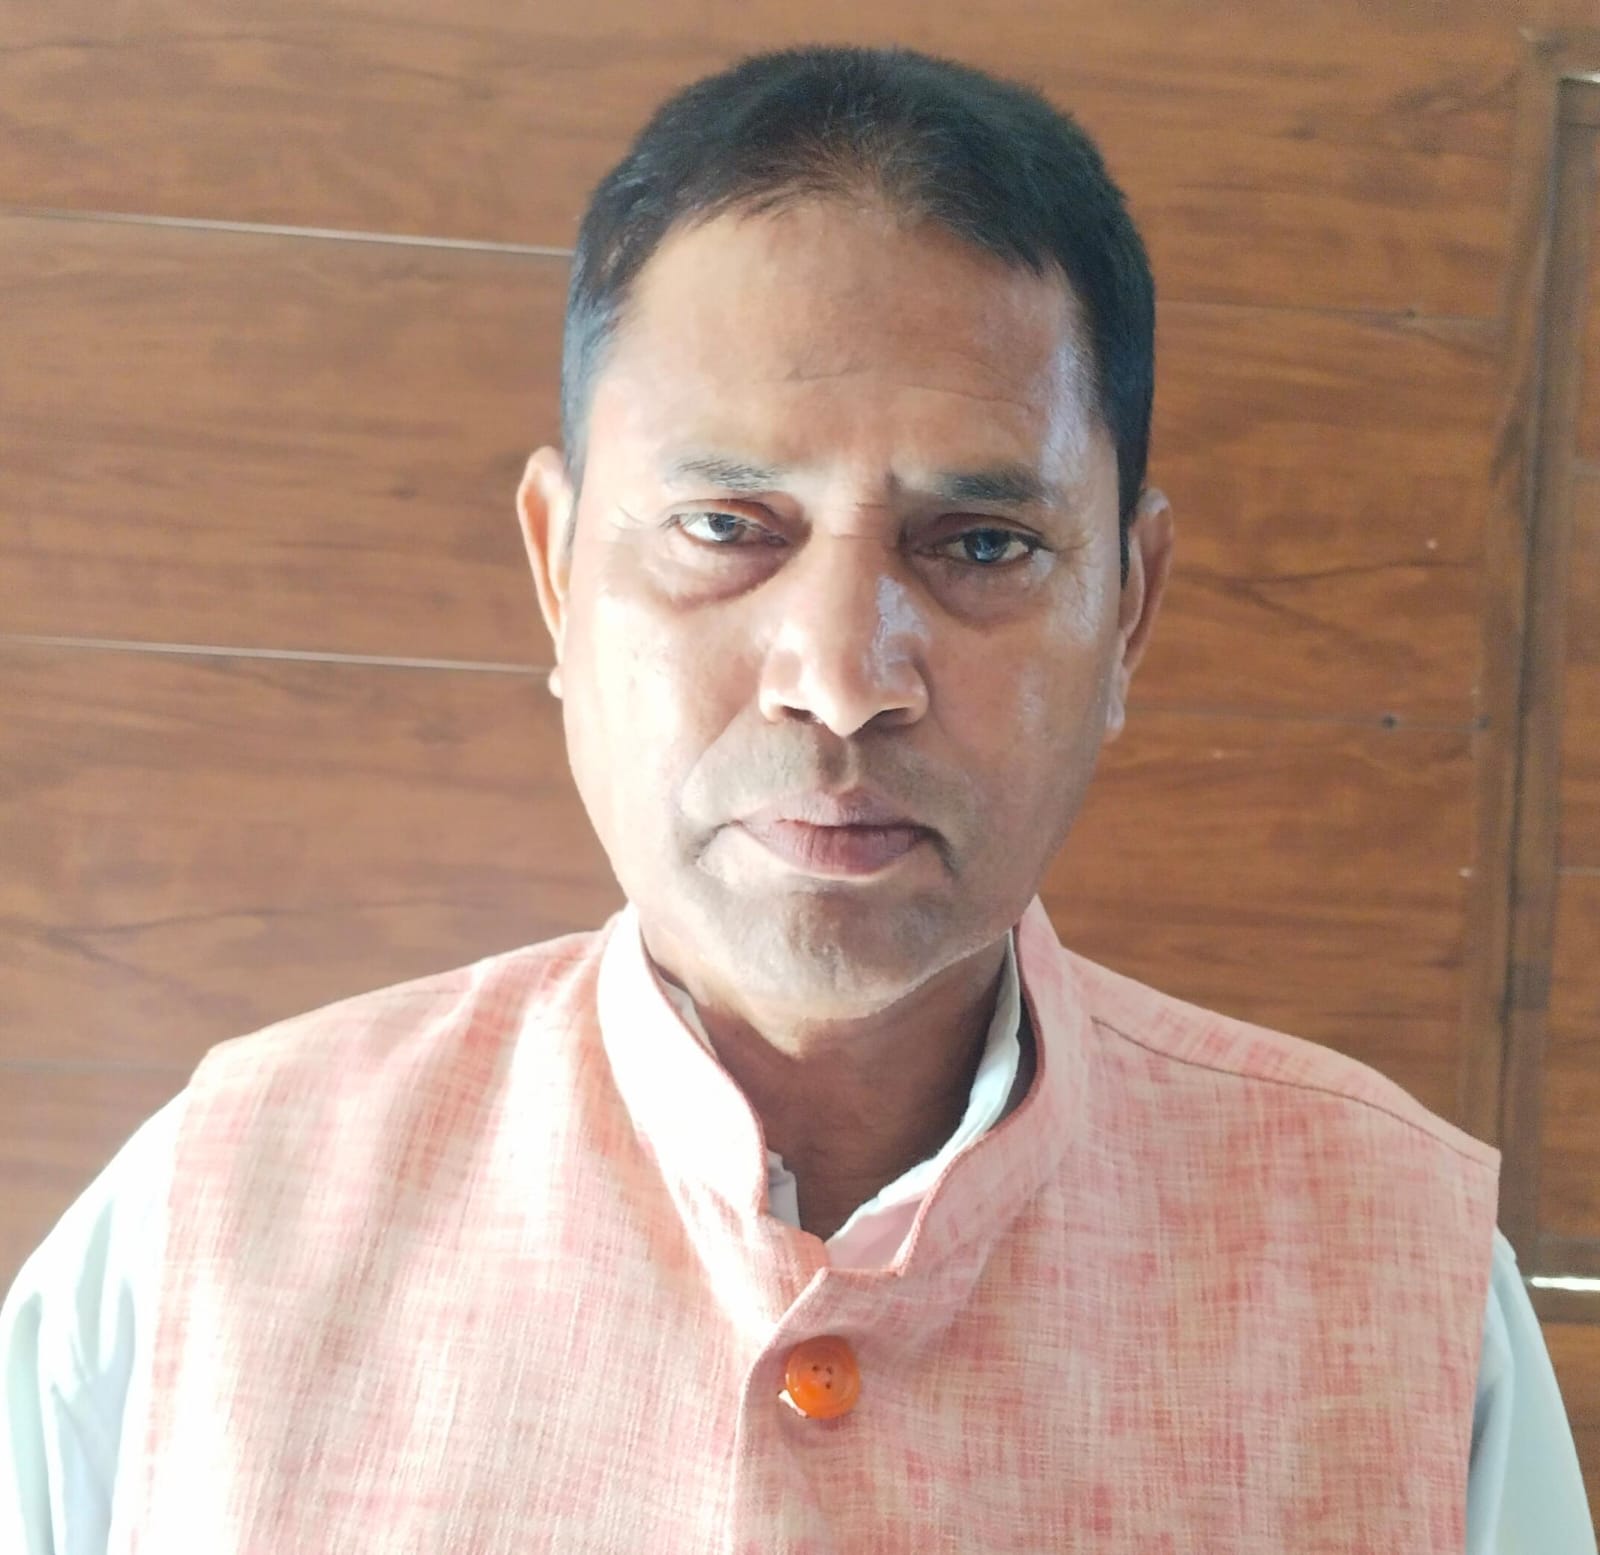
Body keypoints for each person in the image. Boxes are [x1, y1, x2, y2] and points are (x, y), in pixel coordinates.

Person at [2, 43, 1593, 1554]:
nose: (840, 676)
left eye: (982, 545)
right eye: (726, 526)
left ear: (1129, 612)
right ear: (558, 572)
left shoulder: (1409, 1291)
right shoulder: (201, 1229)